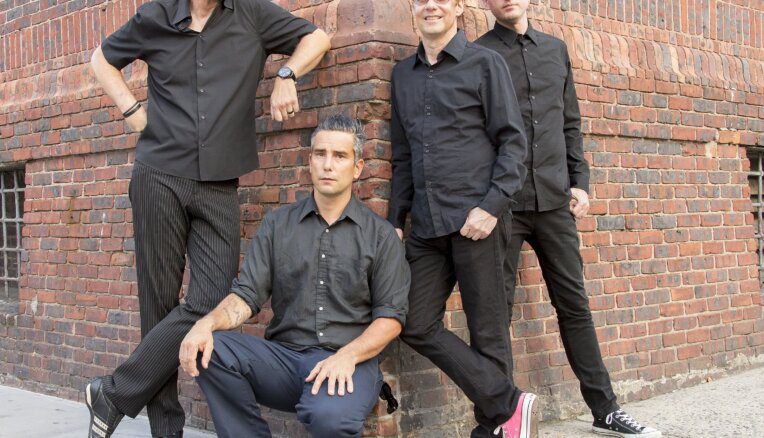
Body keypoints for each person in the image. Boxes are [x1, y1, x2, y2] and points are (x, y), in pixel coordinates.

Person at [85, 1, 330, 437]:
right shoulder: (157, 15)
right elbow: (102, 59)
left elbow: (317, 37)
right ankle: (166, 430)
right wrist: (130, 110)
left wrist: (287, 74)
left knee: (212, 296)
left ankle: (114, 392)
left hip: (219, 182)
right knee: (157, 305)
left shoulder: (252, 14)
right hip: (159, 174)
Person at [476, 1, 662, 437]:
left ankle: (607, 410)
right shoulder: (478, 54)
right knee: (495, 314)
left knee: (574, 306)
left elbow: (570, 123)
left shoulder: (556, 50)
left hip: (556, 201)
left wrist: (580, 180)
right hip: (503, 205)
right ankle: (499, 418)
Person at [177, 114, 410, 437]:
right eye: (320, 154)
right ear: (310, 162)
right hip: (284, 362)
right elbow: (247, 295)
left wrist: (347, 356)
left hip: (349, 363)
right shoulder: (278, 225)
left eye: (340, 156)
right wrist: (207, 323)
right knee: (209, 349)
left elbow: (391, 319)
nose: (328, 165)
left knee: (329, 416)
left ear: (357, 168)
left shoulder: (380, 236)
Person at [388, 0, 535, 436]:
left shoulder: (485, 64)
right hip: (426, 226)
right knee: (412, 321)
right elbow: (402, 154)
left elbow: (513, 143)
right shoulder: (402, 75)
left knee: (488, 332)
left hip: (478, 222)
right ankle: (509, 403)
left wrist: (490, 208)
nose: (430, 6)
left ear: (457, 7)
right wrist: (397, 217)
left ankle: (494, 428)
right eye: (421, 0)